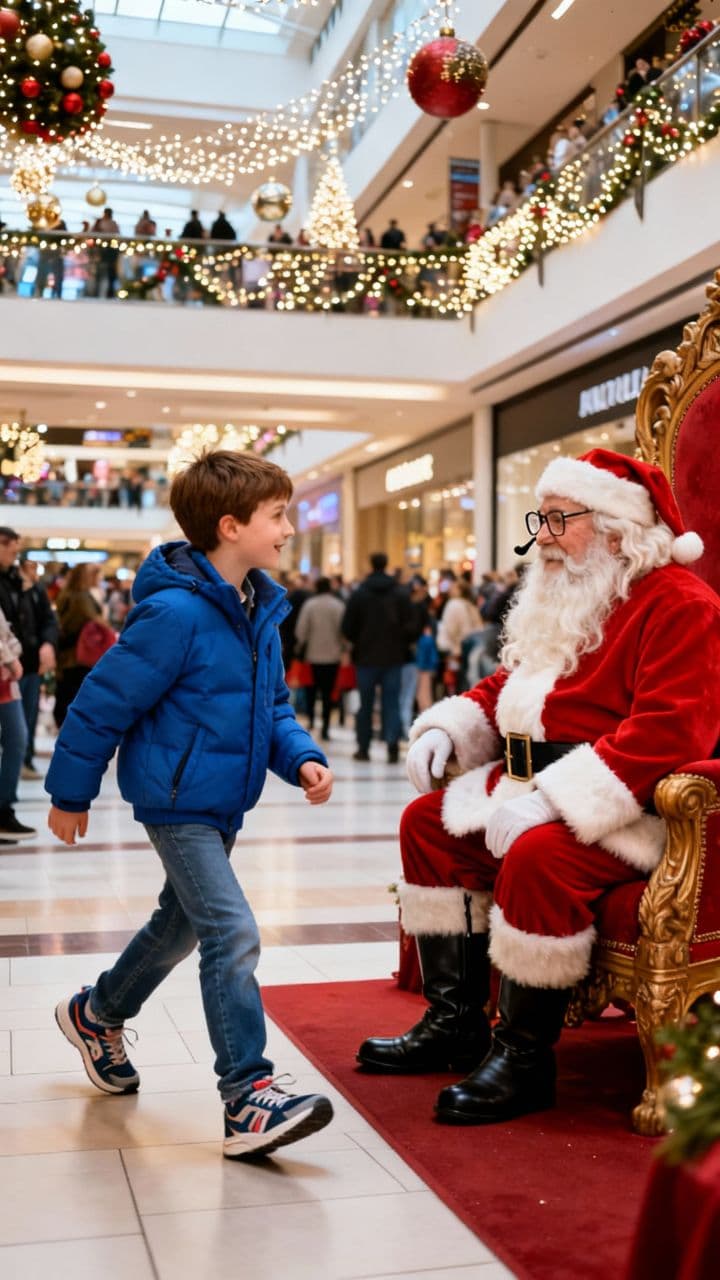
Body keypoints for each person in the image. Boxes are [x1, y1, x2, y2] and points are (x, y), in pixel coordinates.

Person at [356, 449, 720, 1127]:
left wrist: (551, 802)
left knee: (538, 856)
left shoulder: (680, 604)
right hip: (528, 780)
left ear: (618, 530)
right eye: (542, 518)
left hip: (630, 807)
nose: (542, 536)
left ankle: (523, 1056)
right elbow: (512, 686)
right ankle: (454, 1021)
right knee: (426, 826)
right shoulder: (571, 592)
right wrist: (452, 725)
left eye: (560, 519)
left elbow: (671, 734)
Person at [46, 450, 335, 1160]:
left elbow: (271, 705)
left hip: (223, 799)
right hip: (175, 800)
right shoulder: (173, 614)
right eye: (278, 516)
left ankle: (97, 1013)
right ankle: (247, 1099)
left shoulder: (257, 608)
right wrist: (69, 790)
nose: (290, 528)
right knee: (230, 931)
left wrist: (300, 756)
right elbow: (101, 702)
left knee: (178, 930)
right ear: (231, 526)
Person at [342, 551, 414, 763]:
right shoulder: (399, 593)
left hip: (365, 657)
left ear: (371, 565)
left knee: (365, 703)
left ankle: (363, 747)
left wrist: (360, 640)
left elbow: (347, 626)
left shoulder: (360, 593)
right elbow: (410, 624)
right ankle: (392, 745)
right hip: (394, 656)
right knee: (392, 702)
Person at [0, 530, 56, 793]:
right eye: (13, 549)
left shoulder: (29, 587)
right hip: (9, 667)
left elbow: (47, 621)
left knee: (23, 727)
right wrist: (10, 657)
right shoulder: (9, 583)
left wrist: (47, 644)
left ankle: (8, 800)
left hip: (27, 665)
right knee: (15, 731)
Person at [294, 576, 345, 741]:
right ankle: (326, 726)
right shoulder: (338, 606)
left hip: (312, 655)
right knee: (328, 693)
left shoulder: (310, 605)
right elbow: (343, 632)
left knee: (311, 690)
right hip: (332, 656)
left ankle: (311, 720)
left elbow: (301, 630)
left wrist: (300, 646)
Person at [53, 563, 103, 727]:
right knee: (72, 695)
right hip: (77, 655)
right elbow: (94, 620)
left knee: (67, 693)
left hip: (72, 654)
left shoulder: (74, 594)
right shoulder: (80, 597)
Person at [0, 600, 33, 844]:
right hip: (6, 668)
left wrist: (12, 651)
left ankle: (3, 809)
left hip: (5, 679)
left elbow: (5, 629)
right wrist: (8, 657)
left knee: (17, 738)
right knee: (16, 737)